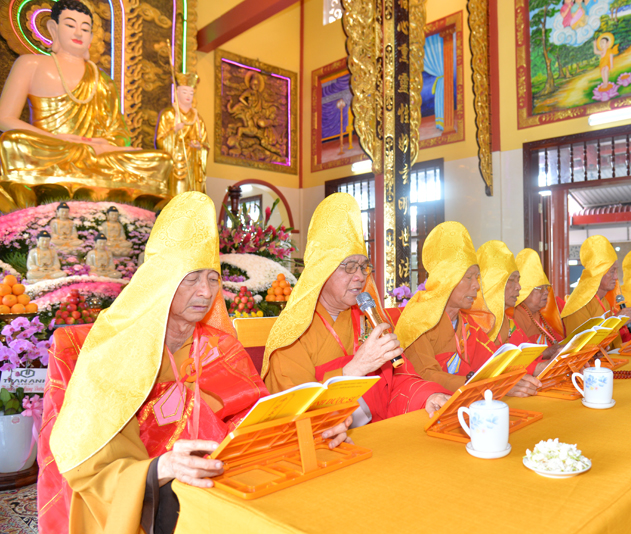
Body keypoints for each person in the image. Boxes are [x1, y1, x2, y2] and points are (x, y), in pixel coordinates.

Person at [38, 192, 351, 534]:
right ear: (161, 280)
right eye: (191, 279)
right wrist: (161, 467)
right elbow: (89, 461)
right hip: (156, 497)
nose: (205, 292)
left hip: (225, 479)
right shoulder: (115, 350)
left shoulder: (220, 347)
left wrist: (310, 430)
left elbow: (255, 421)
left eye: (212, 279)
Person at [263, 193, 450, 425]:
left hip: (376, 432)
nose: (360, 276)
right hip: (327, 438)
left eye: (363, 266)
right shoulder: (291, 332)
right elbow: (293, 408)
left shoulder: (369, 318)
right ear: (321, 270)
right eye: (349, 267)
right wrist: (354, 369)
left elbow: (398, 379)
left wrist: (427, 397)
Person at [0, 0, 172, 195]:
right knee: (12, 142)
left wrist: (103, 145)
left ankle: (87, 176)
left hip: (97, 152)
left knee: (161, 160)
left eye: (85, 28)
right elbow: (4, 118)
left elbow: (120, 133)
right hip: (52, 150)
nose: (78, 33)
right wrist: (57, 139)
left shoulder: (102, 80)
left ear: (91, 36)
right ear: (53, 28)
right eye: (70, 25)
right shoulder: (30, 64)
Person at [397, 225, 541, 397]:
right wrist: (489, 386)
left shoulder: (465, 322)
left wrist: (508, 379)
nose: (477, 285)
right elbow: (426, 375)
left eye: (477, 277)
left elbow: (490, 361)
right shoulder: (417, 319)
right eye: (468, 277)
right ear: (446, 279)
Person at [561, 235, 631, 348]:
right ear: (598, 273)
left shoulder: (604, 301)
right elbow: (580, 347)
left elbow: (613, 346)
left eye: (616, 271)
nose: (616, 277)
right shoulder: (578, 304)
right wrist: (616, 322)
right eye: (612, 271)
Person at [156, 72, 209, 195]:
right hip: (176, 163)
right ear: (177, 93)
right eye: (184, 92)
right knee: (176, 196)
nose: (188, 96)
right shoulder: (169, 115)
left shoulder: (198, 119)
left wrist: (199, 146)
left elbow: (205, 144)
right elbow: (160, 141)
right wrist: (174, 130)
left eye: (191, 93)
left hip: (193, 164)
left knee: (192, 196)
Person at [513, 248, 565, 368]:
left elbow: (556, 340)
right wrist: (549, 352)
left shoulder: (540, 313)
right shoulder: (516, 315)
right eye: (540, 288)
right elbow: (520, 356)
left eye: (546, 288)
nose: (546, 292)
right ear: (525, 291)